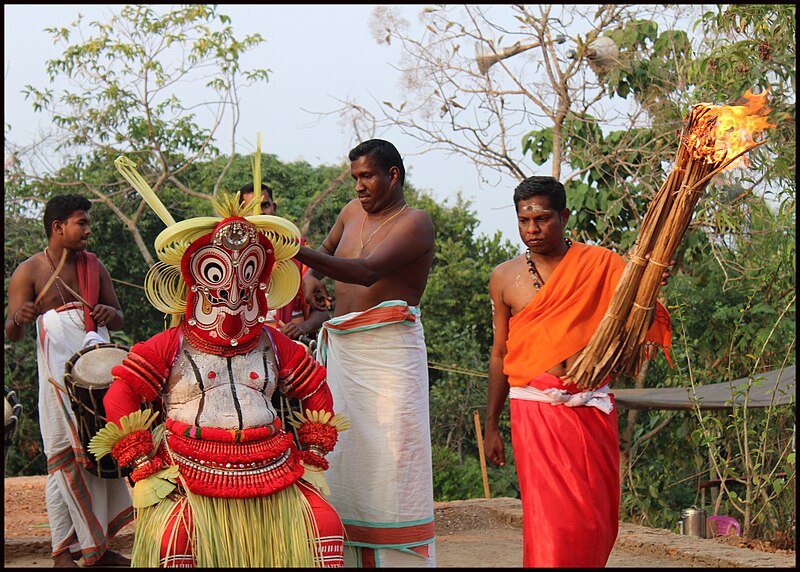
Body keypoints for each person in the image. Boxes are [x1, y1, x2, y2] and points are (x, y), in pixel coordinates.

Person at [92, 157, 349, 567]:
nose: (233, 293)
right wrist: (145, 463)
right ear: (197, 279)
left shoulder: (274, 343)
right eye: (219, 275)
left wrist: (313, 454)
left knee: (325, 529)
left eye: (246, 275)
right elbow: (121, 393)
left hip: (273, 471)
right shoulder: (170, 344)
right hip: (190, 472)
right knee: (176, 539)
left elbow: (315, 386)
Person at [482, 176, 673, 568]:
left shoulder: (601, 264)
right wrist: (491, 424)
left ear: (564, 216)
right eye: (523, 221)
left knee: (594, 520)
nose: (532, 230)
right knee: (550, 522)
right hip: (535, 409)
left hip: (590, 406)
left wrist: (650, 289)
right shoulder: (504, 277)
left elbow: (637, 318)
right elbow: (500, 353)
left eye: (543, 219)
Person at [294, 138, 437, 568]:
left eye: (367, 176)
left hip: (389, 355)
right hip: (344, 355)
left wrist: (292, 249)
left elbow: (366, 270)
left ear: (393, 175)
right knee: (343, 454)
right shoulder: (350, 213)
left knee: (393, 461)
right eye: (355, 177)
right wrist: (310, 277)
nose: (359, 187)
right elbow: (329, 253)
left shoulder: (416, 223)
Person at [4, 193, 133, 568]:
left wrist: (110, 312)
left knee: (96, 458)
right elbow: (11, 331)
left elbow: (119, 317)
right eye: (82, 223)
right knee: (62, 461)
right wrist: (19, 317)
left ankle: (96, 549)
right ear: (58, 227)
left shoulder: (95, 266)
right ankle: (64, 554)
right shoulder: (28, 272)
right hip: (56, 388)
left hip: (93, 385)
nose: (88, 231)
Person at [239, 182, 329, 344]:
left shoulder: (298, 251)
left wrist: (303, 328)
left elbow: (322, 311)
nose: (260, 213)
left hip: (294, 349)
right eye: (251, 208)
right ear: (240, 214)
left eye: (265, 205)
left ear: (274, 208)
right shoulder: (230, 257)